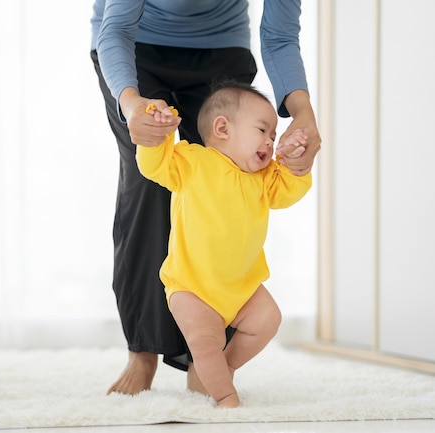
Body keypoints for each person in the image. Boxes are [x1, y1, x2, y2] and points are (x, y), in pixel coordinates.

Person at [89, 0, 322, 396]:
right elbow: (117, 29)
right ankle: (142, 350)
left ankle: (208, 358)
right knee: (147, 185)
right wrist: (131, 105)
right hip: (135, 44)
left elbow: (280, 35)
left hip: (220, 50)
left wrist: (304, 114)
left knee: (233, 178)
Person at [137, 81, 311, 407]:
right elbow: (153, 165)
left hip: (242, 288)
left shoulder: (264, 177)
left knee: (268, 320)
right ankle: (226, 396)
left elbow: (289, 192)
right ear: (222, 128)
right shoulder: (193, 161)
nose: (270, 142)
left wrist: (296, 163)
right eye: (263, 130)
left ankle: (225, 365)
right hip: (192, 287)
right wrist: (158, 130)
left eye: (274, 136)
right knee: (205, 342)